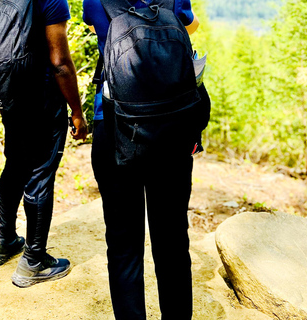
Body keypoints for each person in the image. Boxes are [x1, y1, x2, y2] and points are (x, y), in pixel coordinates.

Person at [83, 0, 208, 318]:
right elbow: (190, 25)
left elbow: (94, 26)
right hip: (172, 126)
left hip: (113, 124)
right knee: (173, 242)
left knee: (124, 246)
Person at [0, 0, 88, 288]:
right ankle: (34, 261)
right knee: (40, 175)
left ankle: (5, 239)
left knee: (15, 162)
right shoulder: (52, 0)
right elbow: (60, 64)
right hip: (41, 100)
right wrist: (77, 111)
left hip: (10, 94)